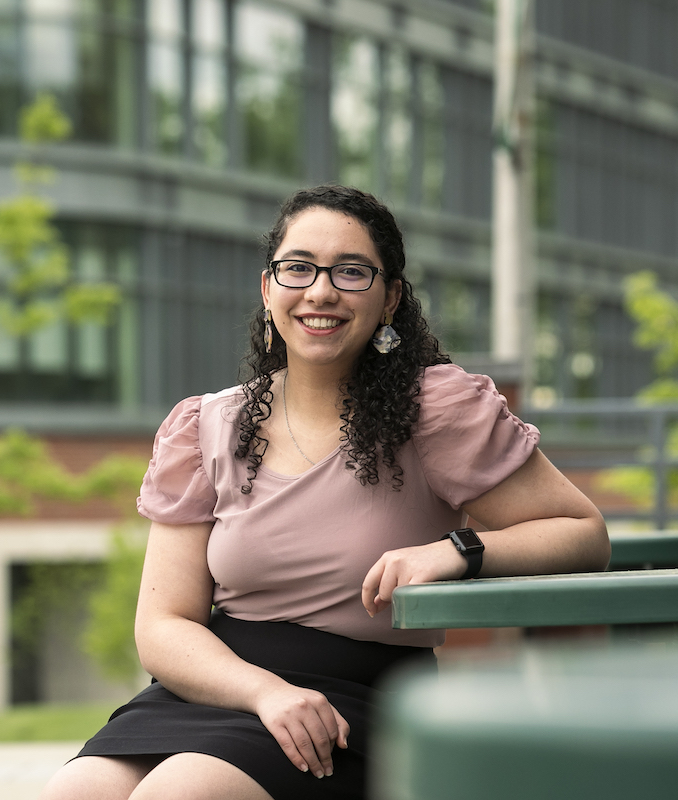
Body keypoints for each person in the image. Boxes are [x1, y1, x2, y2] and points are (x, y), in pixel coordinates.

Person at [40, 185, 609, 800]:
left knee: (179, 793)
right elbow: (163, 623)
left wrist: (457, 551)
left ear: (390, 298)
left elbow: (583, 533)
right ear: (267, 289)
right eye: (299, 267)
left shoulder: (434, 411)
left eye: (351, 271)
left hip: (356, 699)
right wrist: (263, 692)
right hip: (221, 685)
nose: (320, 291)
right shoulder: (206, 427)